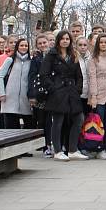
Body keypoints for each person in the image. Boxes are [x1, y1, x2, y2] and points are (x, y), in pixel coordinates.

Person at [40, 31, 87, 161]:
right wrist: (53, 89)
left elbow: (79, 75)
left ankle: (72, 150)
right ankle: (58, 150)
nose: (65, 41)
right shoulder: (51, 55)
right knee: (58, 121)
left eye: (67, 38)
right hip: (58, 92)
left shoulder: (73, 55)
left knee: (79, 119)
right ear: (58, 40)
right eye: (63, 38)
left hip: (72, 92)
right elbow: (44, 74)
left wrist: (78, 90)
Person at [0, 38, 33, 129]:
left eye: (26, 45)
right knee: (11, 129)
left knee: (30, 128)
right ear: (17, 47)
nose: (24, 47)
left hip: (26, 101)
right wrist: (1, 93)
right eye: (21, 45)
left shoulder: (31, 61)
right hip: (9, 100)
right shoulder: (10, 60)